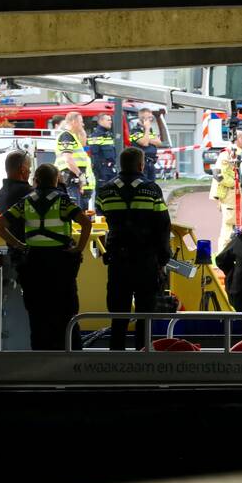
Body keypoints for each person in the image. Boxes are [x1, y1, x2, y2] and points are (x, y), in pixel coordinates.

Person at [0, 163, 92, 350]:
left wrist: (18, 244)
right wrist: (78, 248)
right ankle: (71, 357)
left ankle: (40, 359)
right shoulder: (63, 201)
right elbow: (86, 224)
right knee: (67, 314)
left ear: (35, 180)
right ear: (56, 180)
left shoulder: (26, 201)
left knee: (37, 315)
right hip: (60, 264)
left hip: (33, 264)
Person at [95, 147, 171, 351]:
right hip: (145, 259)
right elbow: (163, 225)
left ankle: (116, 358)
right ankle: (142, 357)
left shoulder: (106, 190)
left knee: (118, 314)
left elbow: (103, 214)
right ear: (141, 165)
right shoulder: (151, 189)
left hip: (118, 260)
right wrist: (163, 258)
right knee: (145, 314)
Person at [211, 130, 242, 252]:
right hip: (230, 194)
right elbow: (218, 174)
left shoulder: (233, 153)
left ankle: (229, 253)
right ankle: (222, 254)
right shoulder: (228, 154)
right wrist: (233, 184)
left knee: (234, 224)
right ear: (239, 139)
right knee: (229, 226)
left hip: (232, 193)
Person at [55, 111, 95, 210]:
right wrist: (80, 175)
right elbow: (68, 159)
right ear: (73, 122)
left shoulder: (72, 136)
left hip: (73, 180)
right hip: (70, 179)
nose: (83, 124)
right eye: (81, 121)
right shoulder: (66, 136)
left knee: (77, 210)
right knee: (74, 211)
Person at [129, 108, 163, 181]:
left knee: (151, 187)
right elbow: (144, 143)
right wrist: (147, 128)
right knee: (141, 187)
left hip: (150, 163)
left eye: (151, 117)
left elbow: (159, 143)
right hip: (140, 164)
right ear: (143, 119)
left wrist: (148, 139)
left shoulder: (150, 131)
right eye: (149, 118)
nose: (151, 120)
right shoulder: (135, 131)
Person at [0, 150, 33, 215]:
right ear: (23, 170)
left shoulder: (2, 193)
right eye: (29, 168)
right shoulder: (27, 192)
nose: (30, 172)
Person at [88, 113, 118, 186]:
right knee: (102, 191)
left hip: (110, 168)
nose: (110, 122)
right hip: (102, 170)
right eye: (108, 120)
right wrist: (100, 172)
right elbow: (95, 155)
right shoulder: (96, 135)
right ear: (101, 121)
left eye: (110, 120)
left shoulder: (108, 134)